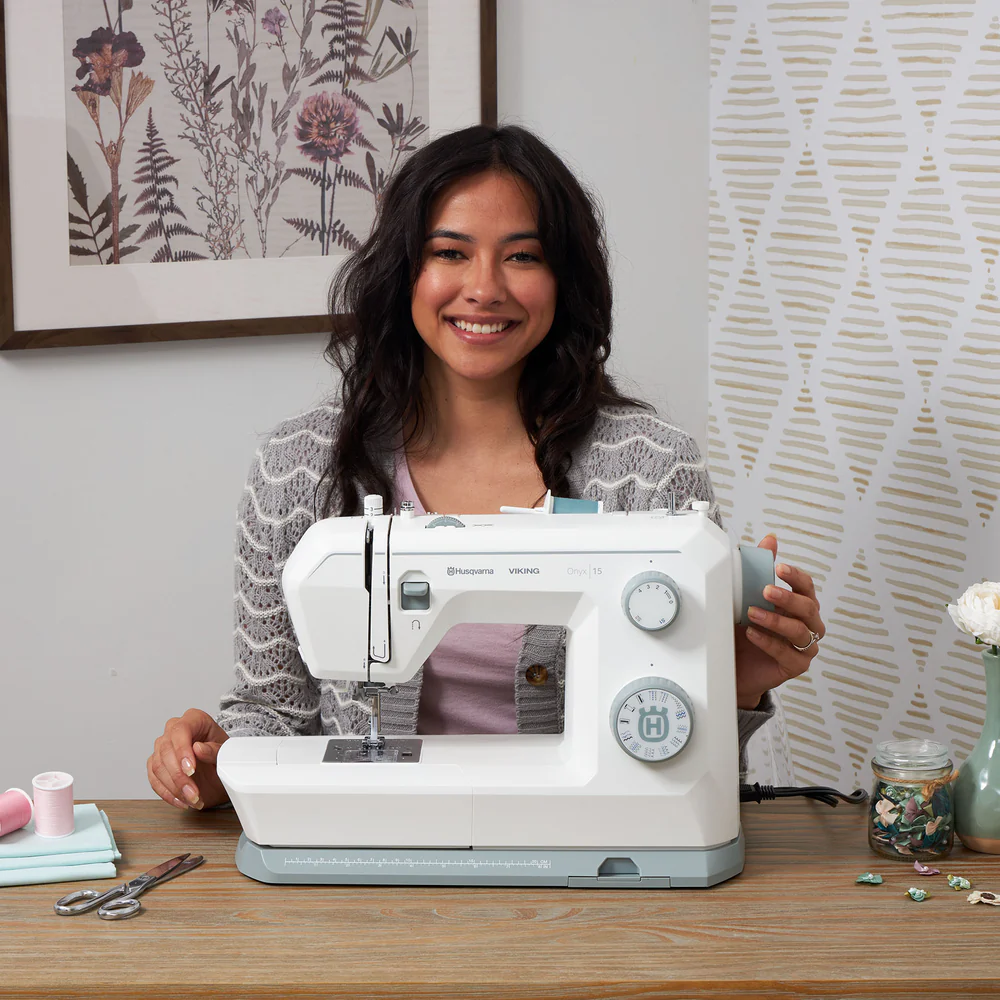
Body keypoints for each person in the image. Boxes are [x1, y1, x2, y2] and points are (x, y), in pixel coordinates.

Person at [147, 125, 826, 811]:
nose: (484, 288)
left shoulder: (650, 471)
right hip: (375, 844)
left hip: (587, 852)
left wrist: (735, 681)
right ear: (404, 269)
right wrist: (215, 763)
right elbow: (275, 718)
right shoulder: (299, 473)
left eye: (522, 257)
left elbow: (686, 764)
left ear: (564, 280)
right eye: (450, 252)